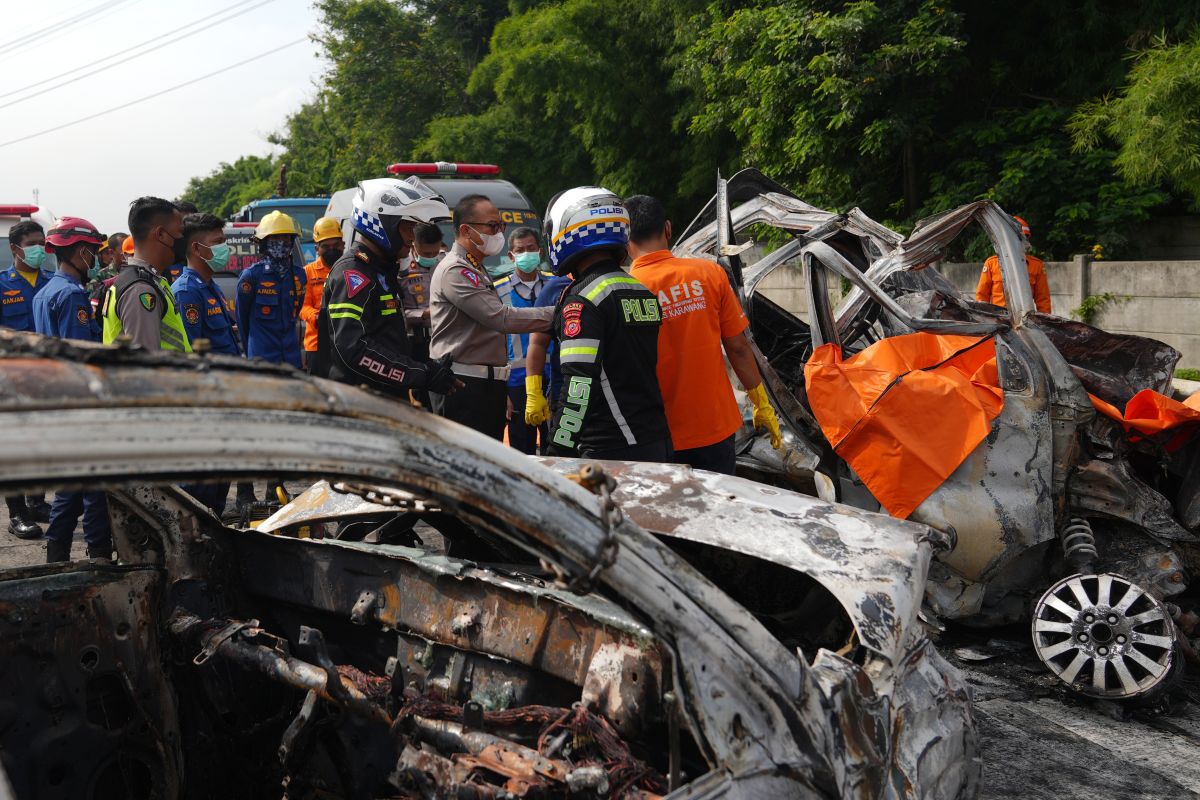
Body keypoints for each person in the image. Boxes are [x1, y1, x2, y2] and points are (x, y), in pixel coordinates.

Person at [625, 194, 783, 474]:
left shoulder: (622, 289)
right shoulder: (709, 274)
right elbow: (738, 348)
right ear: (668, 229)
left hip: (655, 434)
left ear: (624, 239)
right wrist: (761, 403)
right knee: (719, 512)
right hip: (715, 428)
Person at [535, 187, 671, 461]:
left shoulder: (583, 299)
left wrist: (557, 452)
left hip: (611, 449)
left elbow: (579, 386)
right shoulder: (638, 289)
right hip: (655, 438)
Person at [312, 177, 459, 400]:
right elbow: (353, 349)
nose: (412, 236)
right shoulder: (354, 273)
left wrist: (428, 364)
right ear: (382, 223)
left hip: (380, 400)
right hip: (355, 404)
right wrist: (420, 375)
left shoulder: (380, 270)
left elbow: (386, 339)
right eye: (407, 227)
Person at [429, 195, 554, 439]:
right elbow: (500, 318)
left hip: (483, 385)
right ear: (467, 230)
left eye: (501, 226)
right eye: (493, 226)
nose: (499, 233)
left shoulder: (476, 267)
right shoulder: (456, 269)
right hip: (462, 386)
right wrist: (560, 313)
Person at [31, 217, 113, 562]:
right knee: (94, 490)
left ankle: (57, 555)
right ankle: (98, 556)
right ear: (81, 252)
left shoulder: (45, 291)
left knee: (71, 486)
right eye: (93, 252)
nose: (95, 258)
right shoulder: (71, 295)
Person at [171, 213, 241, 516]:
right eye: (219, 243)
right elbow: (192, 355)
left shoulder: (209, 286)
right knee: (199, 496)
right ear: (198, 249)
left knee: (218, 489)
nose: (226, 249)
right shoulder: (187, 290)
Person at [1, 219, 53, 538]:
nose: (39, 249)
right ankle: (17, 513)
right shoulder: (2, 285)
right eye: (32, 243)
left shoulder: (51, 282)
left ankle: (36, 502)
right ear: (15, 248)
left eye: (42, 242)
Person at [493, 226, 556, 454]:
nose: (526, 254)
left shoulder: (556, 284)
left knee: (557, 447)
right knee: (522, 450)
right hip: (516, 383)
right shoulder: (497, 290)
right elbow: (494, 342)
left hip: (554, 378)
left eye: (531, 249)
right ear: (510, 255)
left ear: (540, 252)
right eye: (520, 250)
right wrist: (503, 393)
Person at [101, 196, 192, 353]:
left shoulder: (151, 281)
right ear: (161, 235)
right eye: (180, 233)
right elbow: (146, 367)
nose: (184, 240)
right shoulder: (140, 290)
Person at [236, 210, 305, 369]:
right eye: (276, 237)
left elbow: (295, 313)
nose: (282, 242)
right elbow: (243, 321)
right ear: (264, 242)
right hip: (262, 358)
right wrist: (251, 353)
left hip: (291, 358)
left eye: (286, 237)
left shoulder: (300, 276)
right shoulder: (251, 276)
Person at [399, 222, 443, 407]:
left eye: (435, 252)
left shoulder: (446, 263)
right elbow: (397, 312)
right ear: (414, 245)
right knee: (421, 398)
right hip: (417, 342)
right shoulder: (402, 269)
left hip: (443, 341)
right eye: (427, 254)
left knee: (441, 393)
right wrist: (422, 314)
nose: (432, 257)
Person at [975, 215, 1051, 313]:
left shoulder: (1036, 266)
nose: (1020, 242)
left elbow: (1043, 301)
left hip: (1024, 320)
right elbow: (982, 297)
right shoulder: (992, 263)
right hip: (998, 319)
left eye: (1024, 238)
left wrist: (1044, 325)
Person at [299, 216, 344, 370]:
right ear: (316, 248)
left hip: (346, 342)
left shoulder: (351, 270)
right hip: (317, 344)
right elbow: (302, 307)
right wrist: (318, 318)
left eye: (336, 244)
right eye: (326, 245)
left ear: (343, 245)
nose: (332, 249)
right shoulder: (307, 272)